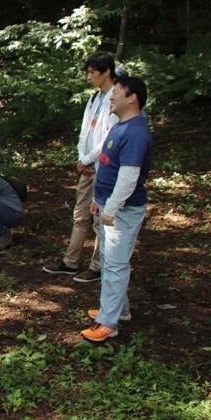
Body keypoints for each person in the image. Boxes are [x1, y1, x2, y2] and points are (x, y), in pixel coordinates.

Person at [80, 75, 151, 343]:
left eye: (117, 91)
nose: (111, 96)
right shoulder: (121, 126)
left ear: (132, 98)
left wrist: (111, 208)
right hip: (108, 205)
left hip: (123, 210)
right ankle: (118, 310)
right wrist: (98, 200)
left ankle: (108, 323)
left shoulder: (136, 133)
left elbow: (128, 177)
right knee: (110, 261)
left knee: (116, 265)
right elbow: (109, 165)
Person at [44, 53, 118, 283]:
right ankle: (71, 261)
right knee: (80, 214)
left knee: (99, 218)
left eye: (92, 72)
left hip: (103, 167)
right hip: (87, 165)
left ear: (106, 72)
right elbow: (85, 131)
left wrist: (88, 159)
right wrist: (81, 158)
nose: (89, 77)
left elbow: (109, 137)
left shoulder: (117, 97)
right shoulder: (94, 98)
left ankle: (98, 265)